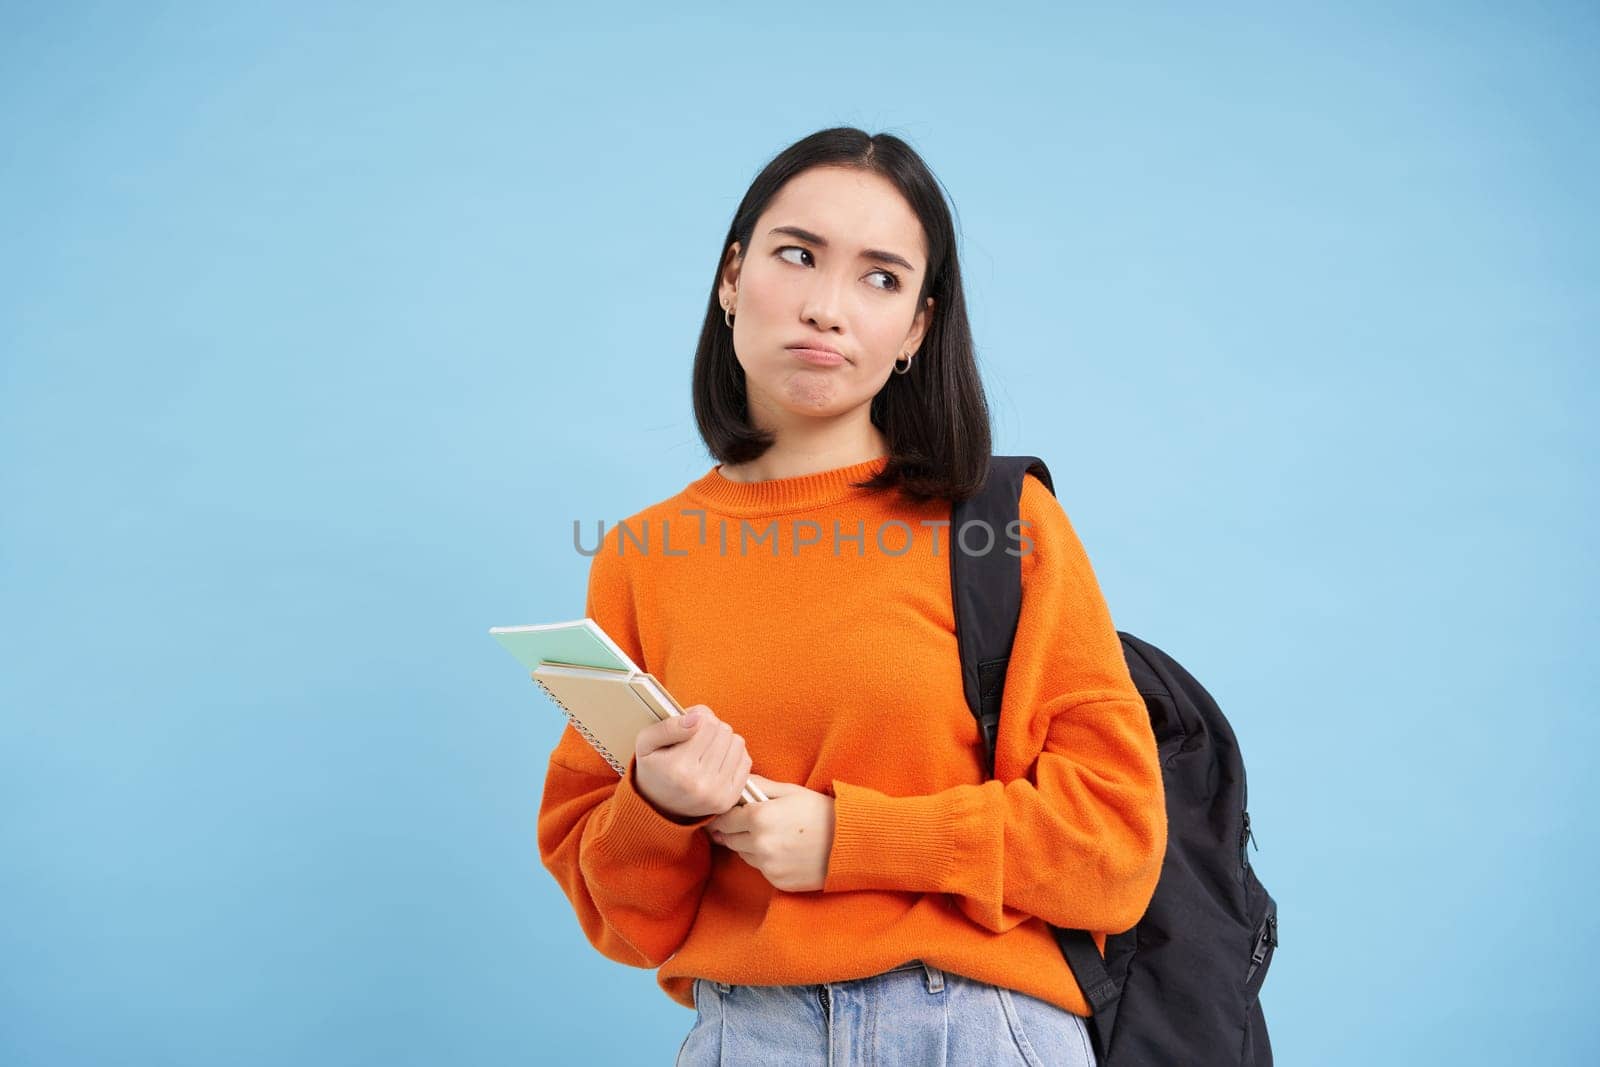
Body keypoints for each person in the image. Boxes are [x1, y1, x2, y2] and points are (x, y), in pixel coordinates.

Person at [536, 127, 1167, 1067]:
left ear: (916, 328)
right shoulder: (641, 555)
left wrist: (854, 838)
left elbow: (1113, 847)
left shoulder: (1001, 523)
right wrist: (659, 806)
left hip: (976, 1027)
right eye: (797, 256)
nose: (827, 307)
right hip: (746, 1033)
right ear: (731, 278)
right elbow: (625, 918)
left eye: (880, 278)